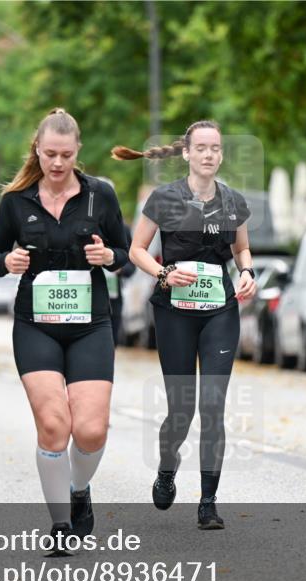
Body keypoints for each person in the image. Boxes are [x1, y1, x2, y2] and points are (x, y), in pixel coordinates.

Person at [0, 108, 129, 549]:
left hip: (90, 324)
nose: (58, 163)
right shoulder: (16, 201)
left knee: (90, 430)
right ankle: (61, 526)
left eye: (66, 154)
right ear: (37, 149)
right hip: (36, 325)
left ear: (77, 152)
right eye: (50, 153)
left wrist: (110, 258)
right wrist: (7, 262)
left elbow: (124, 250)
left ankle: (78, 488)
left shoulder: (99, 195)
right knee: (53, 425)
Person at [113, 120, 257, 530]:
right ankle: (166, 469)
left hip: (219, 312)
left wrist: (247, 272)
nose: (209, 154)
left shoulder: (233, 202)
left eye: (216, 148)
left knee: (212, 405)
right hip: (175, 311)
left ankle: (208, 503)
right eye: (202, 148)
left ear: (221, 155)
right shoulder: (165, 198)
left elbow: (241, 247)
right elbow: (136, 249)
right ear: (187, 153)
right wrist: (162, 273)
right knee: (182, 409)